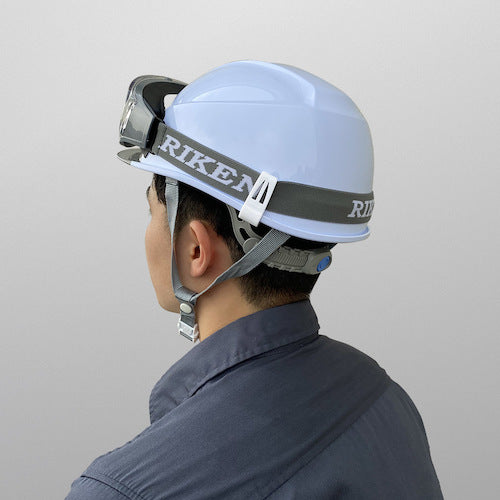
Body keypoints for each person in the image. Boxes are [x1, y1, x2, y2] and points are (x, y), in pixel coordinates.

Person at [65, 60, 443, 499]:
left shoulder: (123, 490)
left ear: (195, 250)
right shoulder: (383, 397)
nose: (148, 230)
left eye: (152, 211)